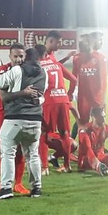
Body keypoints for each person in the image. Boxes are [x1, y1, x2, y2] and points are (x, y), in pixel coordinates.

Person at [0, 45, 47, 199]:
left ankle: (6, 188)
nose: (20, 60)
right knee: (33, 155)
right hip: (35, 120)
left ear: (26, 58)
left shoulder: (17, 70)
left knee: (8, 153)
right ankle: (36, 188)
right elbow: (42, 96)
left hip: (15, 118)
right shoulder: (44, 72)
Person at [0, 48, 29, 196]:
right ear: (10, 56)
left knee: (20, 152)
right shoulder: (2, 71)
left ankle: (18, 184)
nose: (18, 59)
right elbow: (3, 94)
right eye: (15, 56)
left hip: (19, 114)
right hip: (1, 114)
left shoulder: (27, 70)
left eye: (21, 56)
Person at [37, 31, 78, 174]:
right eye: (58, 42)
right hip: (63, 101)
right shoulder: (54, 61)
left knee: (43, 133)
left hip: (49, 101)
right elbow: (73, 79)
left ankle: (44, 167)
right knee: (65, 134)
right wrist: (69, 95)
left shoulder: (39, 62)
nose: (60, 45)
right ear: (49, 41)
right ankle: (66, 165)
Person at [69, 33, 106, 127]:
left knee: (99, 123)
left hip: (97, 96)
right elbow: (74, 77)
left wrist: (103, 98)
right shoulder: (77, 58)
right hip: (83, 97)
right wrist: (70, 92)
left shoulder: (99, 57)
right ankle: (81, 141)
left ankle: (97, 142)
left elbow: (103, 79)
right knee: (83, 122)